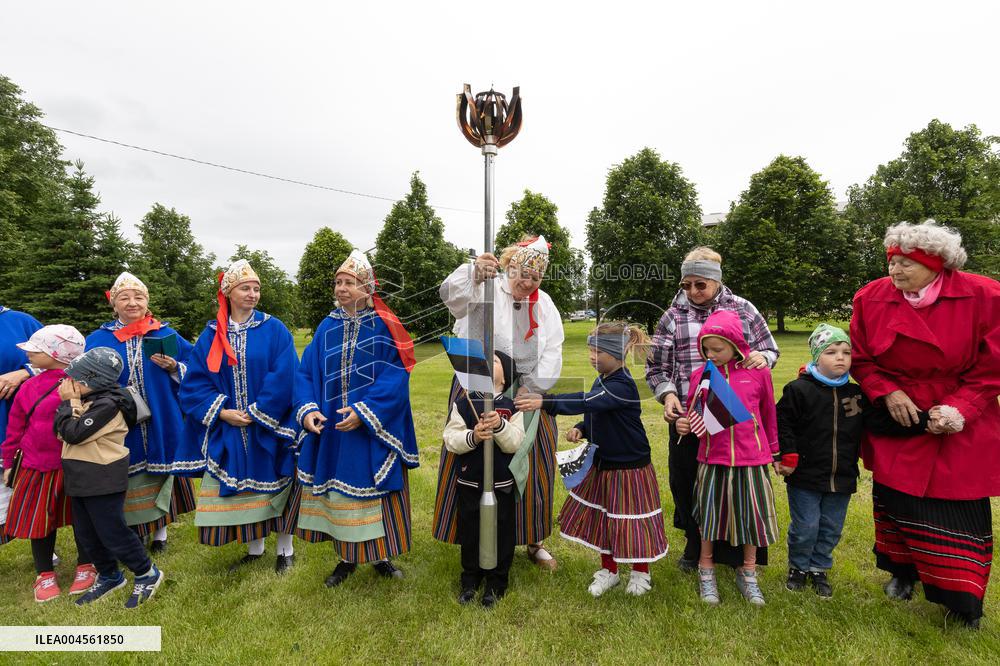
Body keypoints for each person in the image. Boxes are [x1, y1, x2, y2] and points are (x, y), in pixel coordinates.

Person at [850, 220, 1000, 629]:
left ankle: (963, 599)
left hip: (960, 419)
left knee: (959, 508)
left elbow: (993, 366)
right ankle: (902, 571)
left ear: (936, 264)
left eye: (905, 264)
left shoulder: (985, 295)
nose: (894, 271)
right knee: (897, 500)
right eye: (891, 262)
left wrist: (959, 409)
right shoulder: (871, 298)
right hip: (899, 417)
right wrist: (886, 392)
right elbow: (861, 358)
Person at [435, 235, 565, 571]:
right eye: (522, 273)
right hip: (477, 380)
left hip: (524, 391)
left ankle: (533, 539)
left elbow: (553, 350)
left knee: (530, 462)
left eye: (535, 278)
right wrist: (473, 273)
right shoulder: (485, 286)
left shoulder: (545, 305)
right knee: (471, 453)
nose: (527, 282)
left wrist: (533, 388)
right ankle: (467, 534)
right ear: (510, 266)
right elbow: (450, 296)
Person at [646, 247, 779, 572]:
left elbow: (769, 348)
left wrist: (763, 357)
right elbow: (656, 368)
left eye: (700, 285)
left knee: (734, 481)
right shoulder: (672, 316)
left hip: (735, 418)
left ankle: (737, 550)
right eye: (686, 284)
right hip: (689, 416)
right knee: (687, 479)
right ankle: (696, 543)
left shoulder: (744, 310)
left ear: (716, 281)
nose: (692, 291)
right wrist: (668, 395)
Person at [295, 250, 419, 588]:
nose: (341, 288)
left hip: (370, 430)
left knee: (371, 491)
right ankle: (346, 558)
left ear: (367, 287)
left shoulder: (384, 325)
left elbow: (397, 374)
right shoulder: (326, 327)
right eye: (338, 282)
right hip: (333, 430)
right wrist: (308, 409)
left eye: (349, 282)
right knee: (342, 495)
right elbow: (305, 373)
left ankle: (380, 555)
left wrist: (365, 413)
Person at [516, 322, 667, 598]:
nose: (592, 357)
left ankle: (640, 572)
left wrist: (545, 402)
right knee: (606, 519)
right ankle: (609, 571)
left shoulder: (622, 384)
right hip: (604, 464)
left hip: (630, 466)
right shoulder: (604, 381)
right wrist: (582, 428)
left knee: (631, 520)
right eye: (590, 351)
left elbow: (587, 401)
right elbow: (596, 410)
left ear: (616, 354)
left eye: (598, 351)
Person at [173, 260, 300, 574]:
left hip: (269, 425)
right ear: (228, 291)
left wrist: (259, 412)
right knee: (245, 490)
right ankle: (254, 547)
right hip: (230, 426)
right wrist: (222, 411)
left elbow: (285, 373)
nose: (253, 294)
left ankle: (286, 549)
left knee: (278, 483)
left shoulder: (274, 329)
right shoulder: (212, 333)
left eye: (256, 289)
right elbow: (196, 380)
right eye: (246, 288)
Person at [85, 272, 195, 551]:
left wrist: (174, 368)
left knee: (159, 474)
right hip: (118, 419)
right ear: (114, 304)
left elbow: (197, 370)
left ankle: (160, 534)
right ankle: (135, 529)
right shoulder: (99, 338)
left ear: (147, 301)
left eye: (139, 297)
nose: (133, 303)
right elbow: (84, 377)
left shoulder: (165, 333)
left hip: (162, 414)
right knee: (128, 474)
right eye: (125, 297)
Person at [675, 310, 779, 606]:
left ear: (735, 344)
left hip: (752, 460)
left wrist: (774, 450)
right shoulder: (702, 375)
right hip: (713, 459)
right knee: (709, 517)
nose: (711, 354)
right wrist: (684, 422)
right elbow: (693, 413)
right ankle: (705, 569)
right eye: (706, 348)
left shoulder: (759, 372)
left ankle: (748, 571)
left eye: (717, 349)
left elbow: (769, 413)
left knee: (751, 518)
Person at [55, 347, 164, 608]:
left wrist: (69, 405)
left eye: (74, 380)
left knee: (111, 530)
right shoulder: (88, 401)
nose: (66, 385)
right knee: (86, 533)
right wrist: (72, 409)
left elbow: (72, 433)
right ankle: (109, 575)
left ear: (90, 381)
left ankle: (147, 572)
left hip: (102, 476)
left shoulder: (108, 404)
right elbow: (60, 429)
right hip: (80, 475)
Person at [2, 325, 94, 601]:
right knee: (39, 519)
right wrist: (9, 461)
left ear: (56, 355)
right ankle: (44, 573)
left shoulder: (83, 385)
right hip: (37, 466)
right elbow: (15, 427)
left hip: (77, 465)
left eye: (36, 349)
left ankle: (86, 565)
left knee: (83, 518)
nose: (28, 353)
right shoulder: (29, 386)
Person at [443, 350, 524, 607]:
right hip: (469, 482)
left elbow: (515, 443)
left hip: (501, 485)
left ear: (505, 375)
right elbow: (451, 439)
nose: (489, 363)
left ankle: (496, 583)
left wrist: (499, 425)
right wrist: (474, 436)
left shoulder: (513, 407)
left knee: (502, 532)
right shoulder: (464, 403)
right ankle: (470, 581)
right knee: (470, 532)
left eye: (496, 361)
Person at [0, 305, 43, 546]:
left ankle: (41, 541)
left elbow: (62, 359)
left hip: (20, 415)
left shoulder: (21, 322)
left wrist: (23, 373)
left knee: (28, 479)